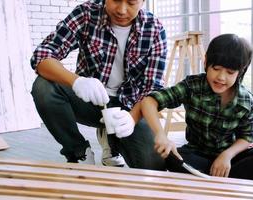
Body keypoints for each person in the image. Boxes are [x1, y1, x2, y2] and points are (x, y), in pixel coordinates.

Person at [30, 0, 166, 170]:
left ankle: (112, 141)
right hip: (89, 101)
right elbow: (41, 56)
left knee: (154, 166)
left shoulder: (154, 29)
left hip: (129, 109)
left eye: (131, 2)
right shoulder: (86, 14)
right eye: (115, 0)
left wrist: (132, 118)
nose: (122, 10)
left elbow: (153, 90)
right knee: (44, 87)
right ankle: (79, 152)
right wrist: (76, 81)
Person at [140, 34, 253, 180]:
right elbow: (149, 102)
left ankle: (213, 178)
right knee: (171, 158)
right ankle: (234, 179)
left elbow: (246, 137)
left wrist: (226, 156)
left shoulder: (246, 100)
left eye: (230, 72)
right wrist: (161, 134)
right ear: (206, 63)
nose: (221, 77)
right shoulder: (192, 86)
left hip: (230, 157)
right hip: (197, 154)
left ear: (240, 72)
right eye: (216, 68)